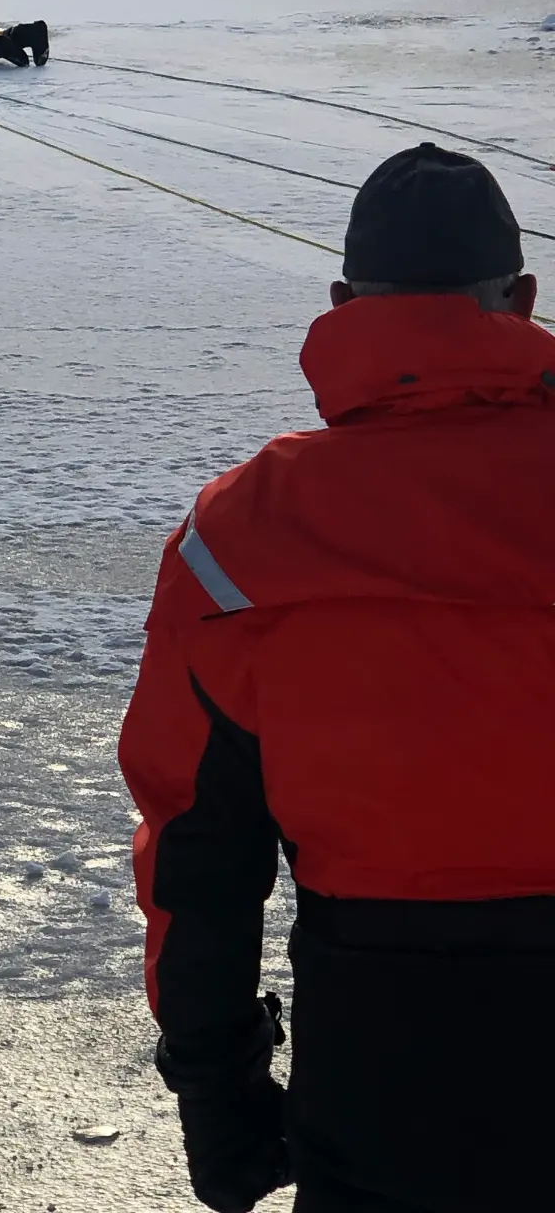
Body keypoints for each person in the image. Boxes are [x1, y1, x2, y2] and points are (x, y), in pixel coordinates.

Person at [118, 143, 555, 1213]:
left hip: (378, 1064)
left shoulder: (240, 537)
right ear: (526, 296)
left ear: (344, 301)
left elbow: (198, 853)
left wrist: (216, 1087)